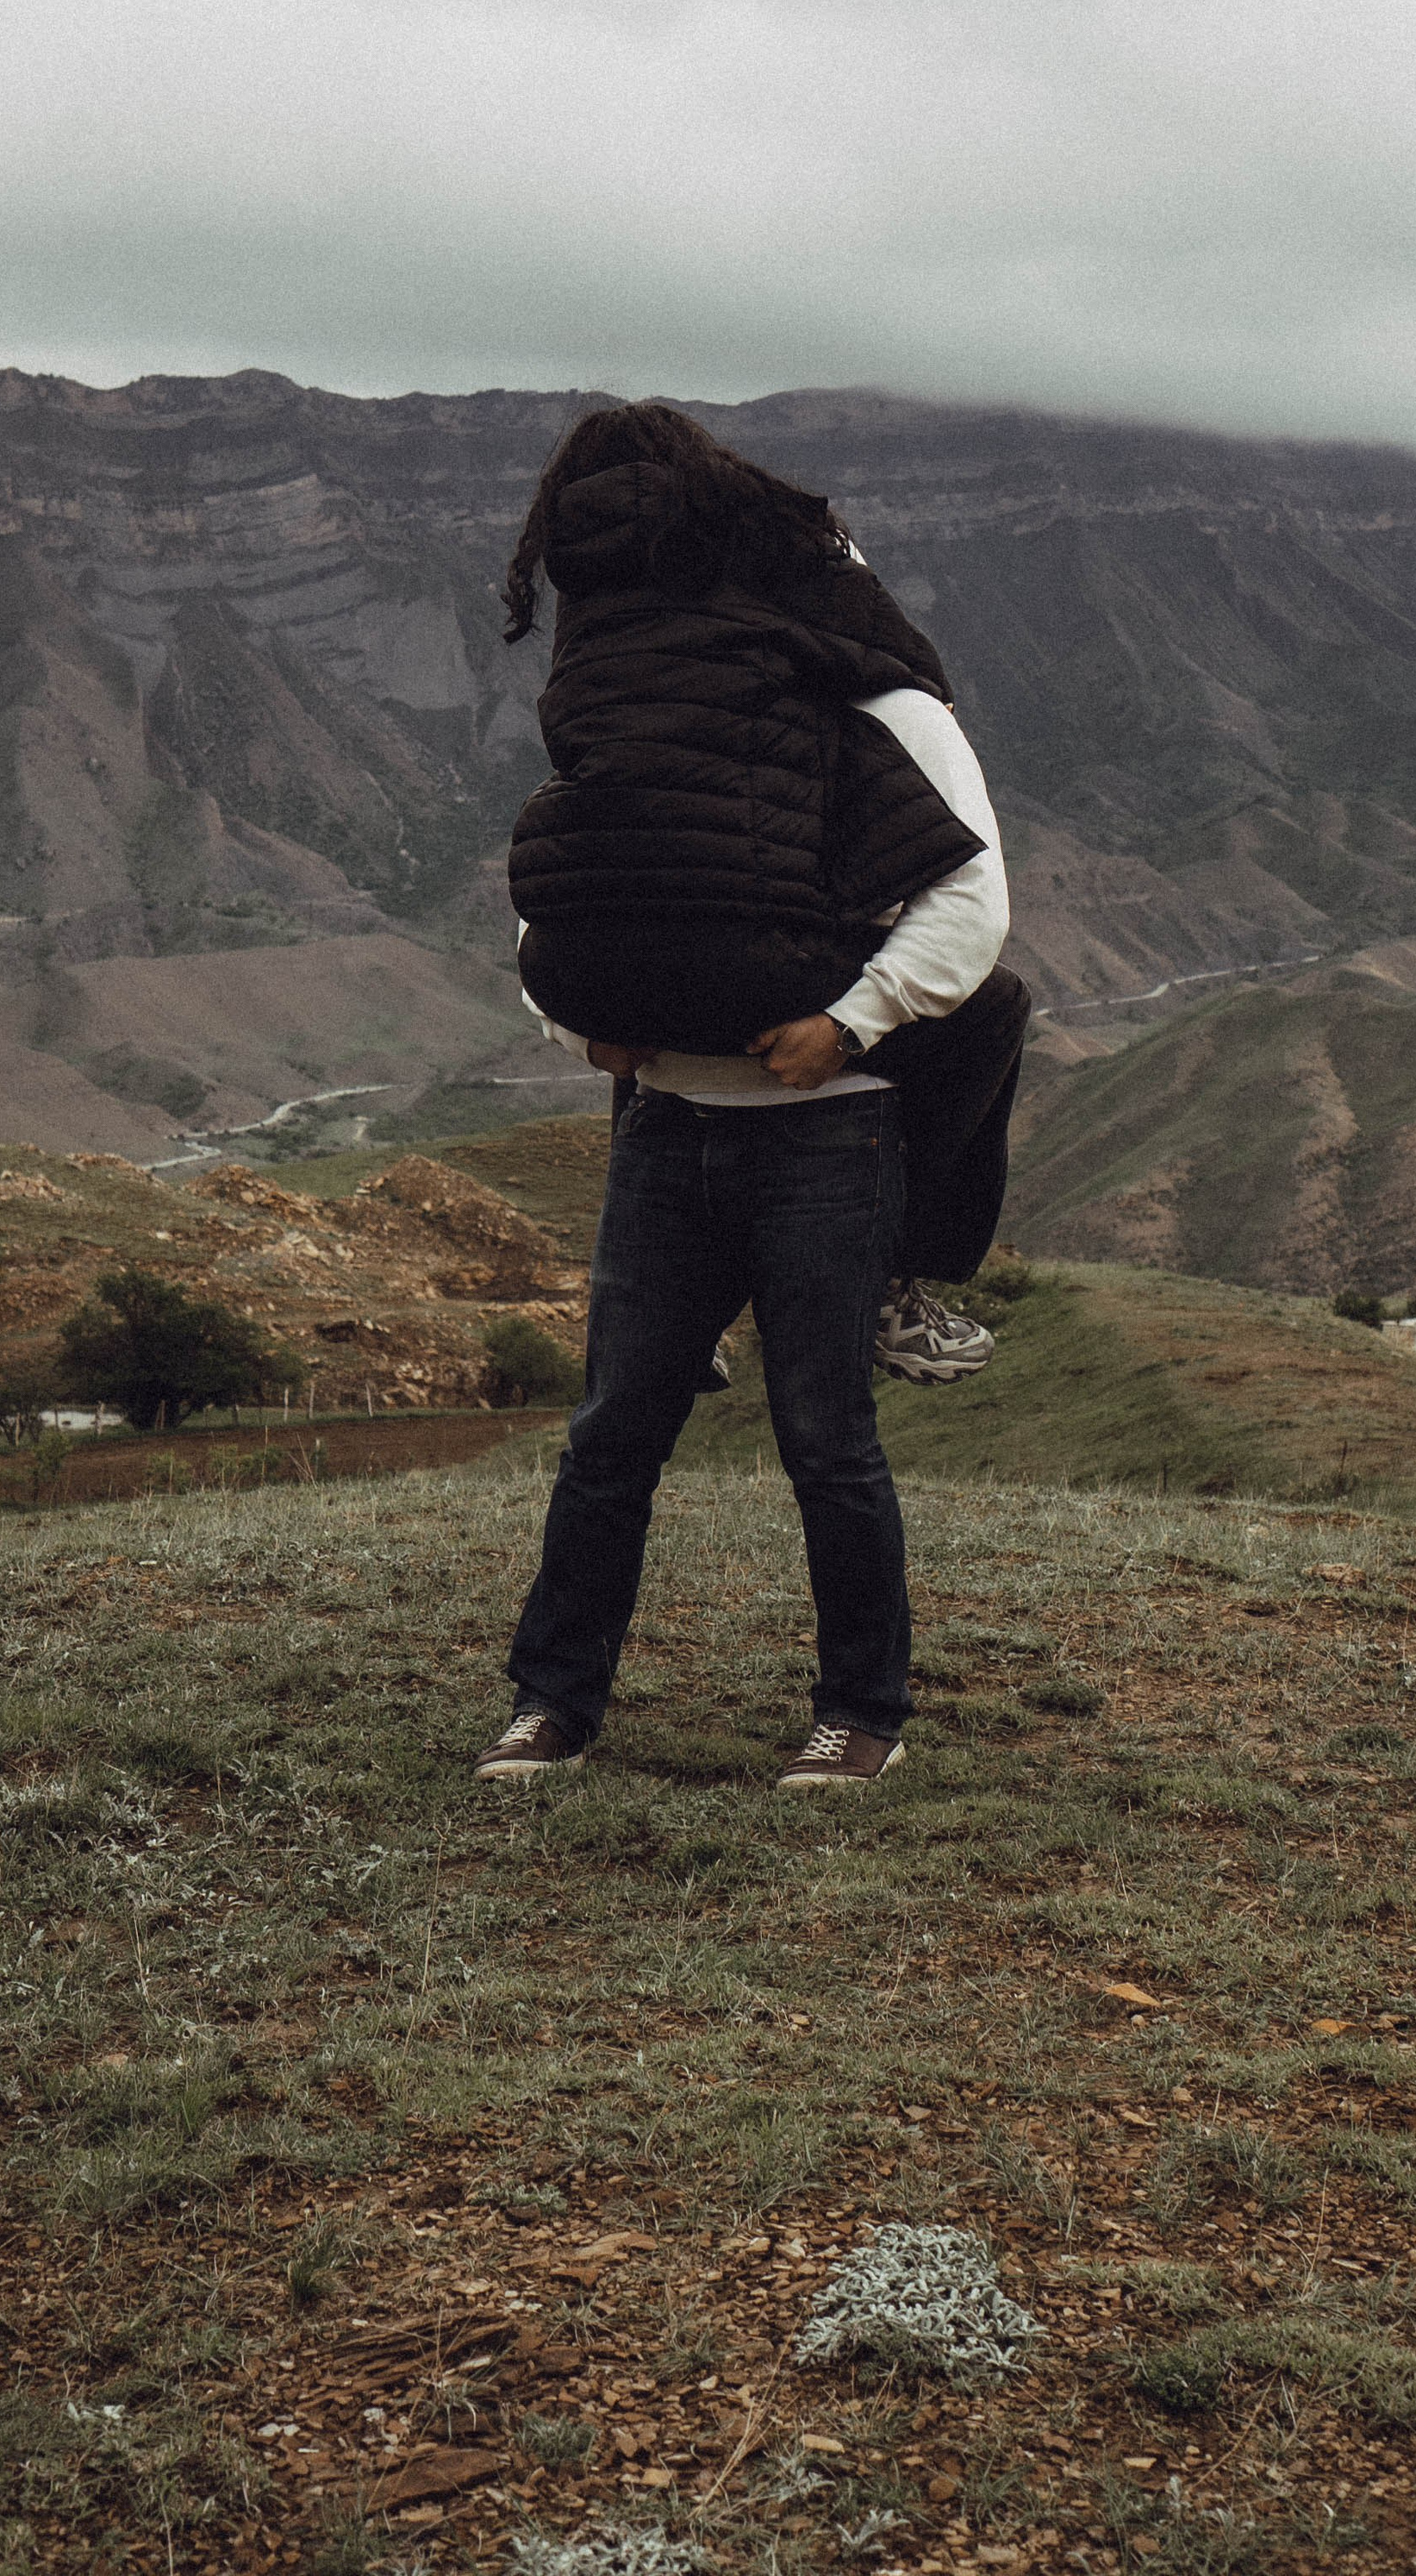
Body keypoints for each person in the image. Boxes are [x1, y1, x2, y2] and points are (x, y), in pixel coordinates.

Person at [477, 402, 1022, 1791]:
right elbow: (574, 874)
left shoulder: (865, 686)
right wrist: (576, 1020)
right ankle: (553, 1705)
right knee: (612, 1439)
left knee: (827, 1443)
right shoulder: (629, 692)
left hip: (820, 1133)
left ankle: (862, 1716)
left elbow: (972, 892)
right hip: (666, 1122)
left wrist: (851, 1024)